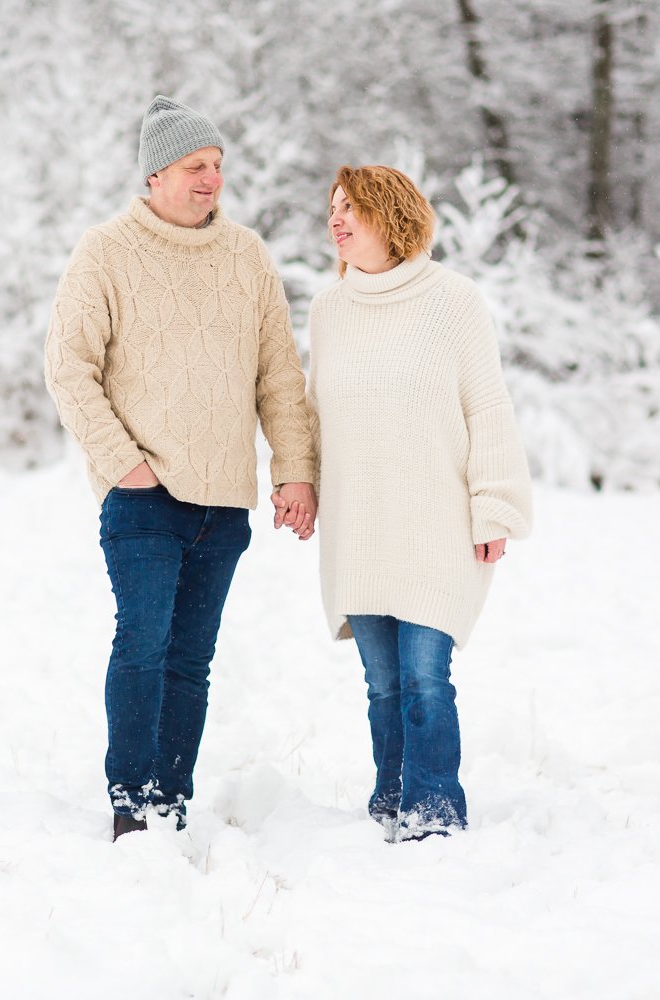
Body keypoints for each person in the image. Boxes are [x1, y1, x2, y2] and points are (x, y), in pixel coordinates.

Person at [45, 96, 318, 841]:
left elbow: (279, 377)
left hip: (223, 502)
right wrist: (125, 466)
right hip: (143, 496)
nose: (211, 180)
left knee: (191, 660)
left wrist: (294, 471)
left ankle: (172, 796)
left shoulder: (246, 256)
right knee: (143, 641)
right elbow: (70, 368)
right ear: (156, 174)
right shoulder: (105, 251)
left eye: (219, 167)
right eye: (196, 167)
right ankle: (132, 802)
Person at [282, 164, 532, 841]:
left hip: (436, 524)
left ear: (391, 216)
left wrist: (496, 505)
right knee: (383, 685)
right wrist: (296, 480)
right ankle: (390, 801)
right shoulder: (329, 310)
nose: (336, 220)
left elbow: (487, 405)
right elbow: (309, 412)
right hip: (359, 526)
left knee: (426, 679)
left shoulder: (453, 300)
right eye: (331, 207)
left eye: (351, 208)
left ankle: (434, 811)